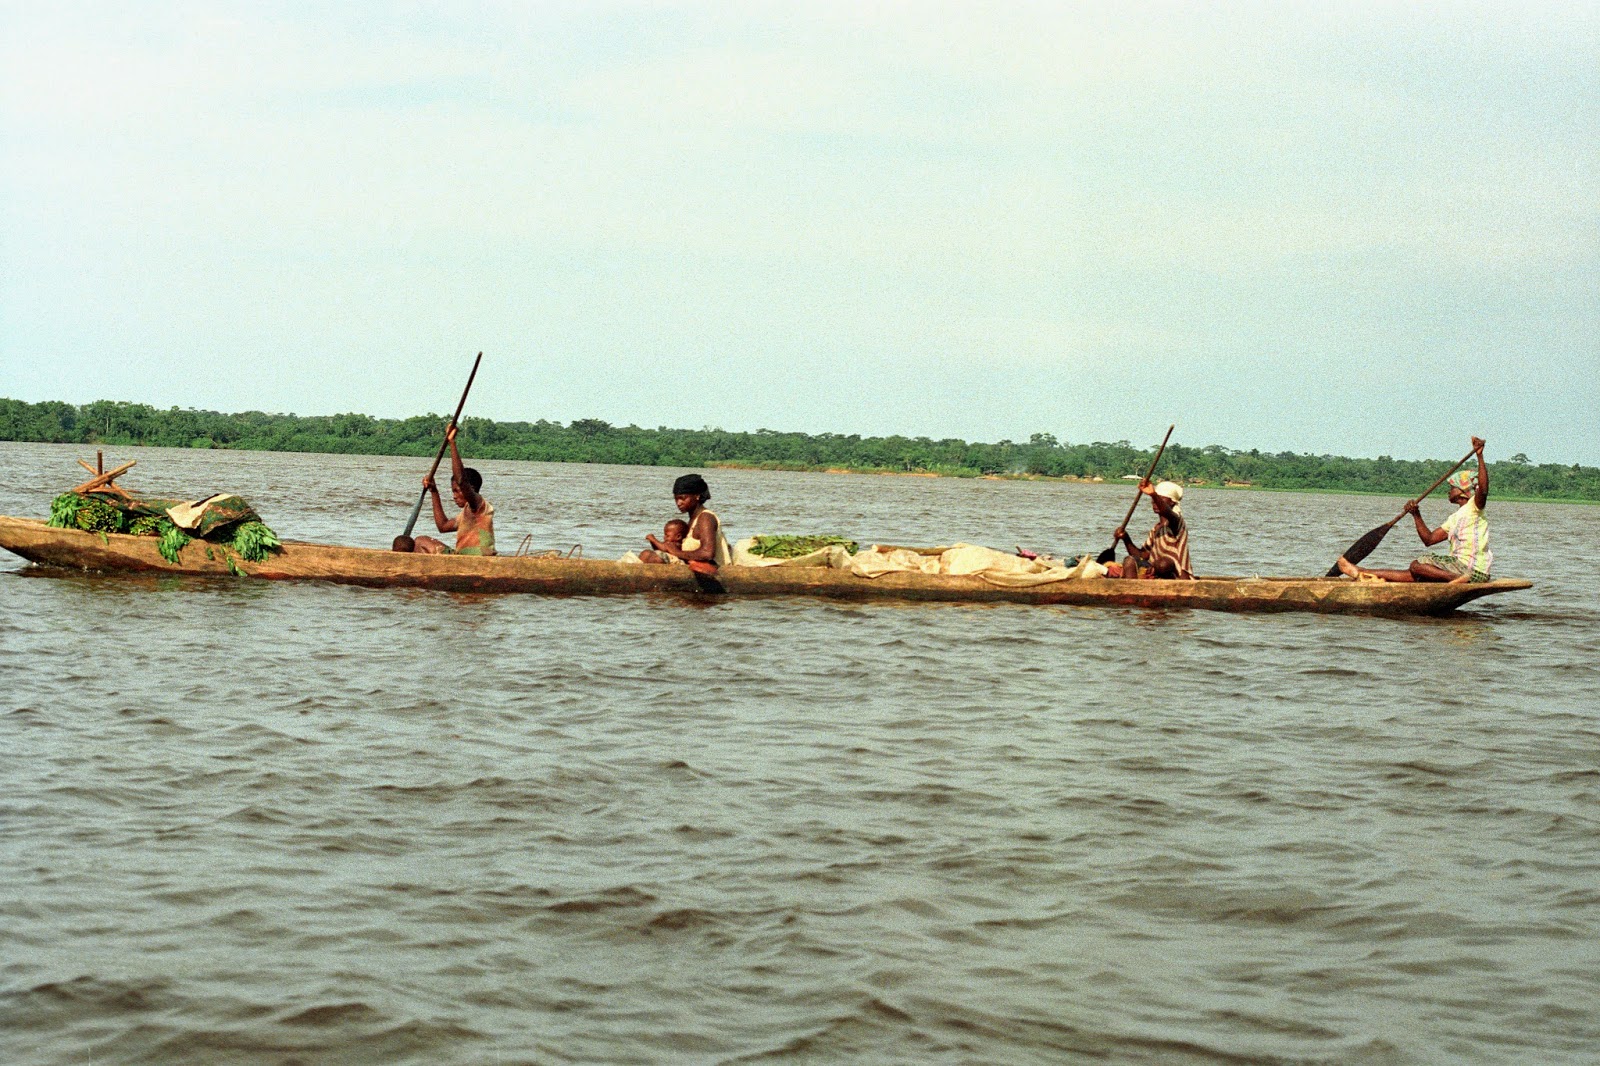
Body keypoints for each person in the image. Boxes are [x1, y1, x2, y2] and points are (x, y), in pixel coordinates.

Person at [1339, 437, 1491, 583]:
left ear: (1463, 490)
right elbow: (1429, 539)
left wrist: (1479, 456)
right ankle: (1361, 571)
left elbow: (1483, 490)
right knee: (1412, 574)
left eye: (1452, 488)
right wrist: (1416, 514)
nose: (1449, 491)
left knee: (1416, 565)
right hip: (1459, 569)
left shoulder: (1474, 506)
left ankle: (1454, 579)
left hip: (1471, 570)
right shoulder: (1454, 519)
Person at [415, 423, 496, 556]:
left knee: (420, 541)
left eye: (457, 491)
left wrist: (452, 442)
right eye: (453, 491)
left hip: (478, 559)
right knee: (420, 541)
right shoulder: (465, 514)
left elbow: (461, 480)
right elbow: (442, 526)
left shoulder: (478, 505)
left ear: (471, 489)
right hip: (462, 558)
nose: (454, 496)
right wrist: (434, 491)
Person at [645, 474, 730, 572]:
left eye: (683, 498)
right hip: (693, 566)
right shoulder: (692, 520)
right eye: (676, 499)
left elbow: (707, 553)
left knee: (650, 557)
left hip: (712, 569)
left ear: (697, 496)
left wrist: (676, 552)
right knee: (647, 555)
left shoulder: (705, 518)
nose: (678, 503)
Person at [1110, 480, 1193, 580]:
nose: (1154, 502)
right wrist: (1125, 538)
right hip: (1157, 575)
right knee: (1129, 561)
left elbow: (1167, 512)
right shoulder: (1156, 530)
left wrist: (1153, 494)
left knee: (1163, 564)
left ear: (1172, 502)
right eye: (1153, 499)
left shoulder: (1176, 521)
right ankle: (1132, 589)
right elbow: (1142, 555)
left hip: (1177, 577)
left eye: (1160, 498)